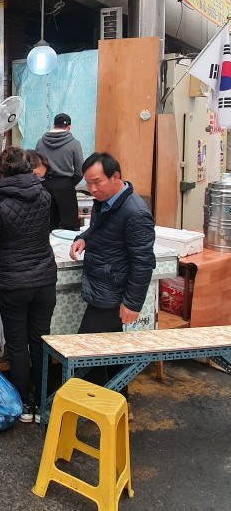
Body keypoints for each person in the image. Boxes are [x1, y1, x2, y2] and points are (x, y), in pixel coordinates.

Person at [0, 147, 57, 423]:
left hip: (13, 282)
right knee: (41, 341)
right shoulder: (44, 196)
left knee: (17, 345)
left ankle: (24, 405)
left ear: (2, 170)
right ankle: (43, 403)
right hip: (44, 280)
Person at [69, 152, 156, 400]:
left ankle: (91, 404)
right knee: (113, 349)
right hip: (101, 282)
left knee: (85, 350)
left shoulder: (135, 212)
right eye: (89, 184)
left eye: (97, 182)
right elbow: (96, 229)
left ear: (115, 176)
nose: (93, 189)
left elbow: (143, 262)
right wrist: (82, 239)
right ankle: (118, 403)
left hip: (112, 292)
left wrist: (132, 303)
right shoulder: (105, 200)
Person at [35, 113, 84, 230]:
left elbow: (36, 166)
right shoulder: (74, 144)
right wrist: (69, 183)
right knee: (69, 226)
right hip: (65, 186)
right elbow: (80, 172)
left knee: (45, 225)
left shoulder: (40, 142)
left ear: (54, 125)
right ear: (69, 127)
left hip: (44, 185)